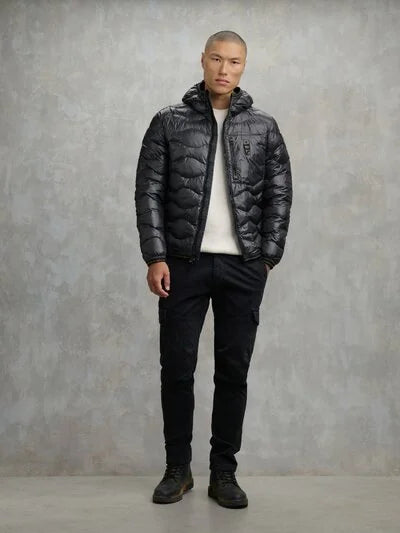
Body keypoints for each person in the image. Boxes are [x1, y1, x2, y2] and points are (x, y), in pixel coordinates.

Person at [135, 30, 292, 508]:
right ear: (203, 60)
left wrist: (266, 257)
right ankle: (177, 469)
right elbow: (148, 191)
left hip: (243, 267)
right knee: (177, 369)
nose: (225, 69)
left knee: (233, 372)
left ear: (244, 66)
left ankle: (224, 473)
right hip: (183, 265)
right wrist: (155, 256)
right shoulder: (168, 122)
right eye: (217, 59)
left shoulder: (264, 127)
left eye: (235, 61)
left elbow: (280, 194)